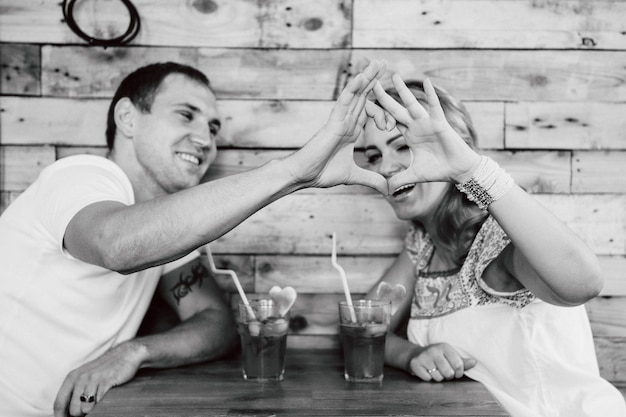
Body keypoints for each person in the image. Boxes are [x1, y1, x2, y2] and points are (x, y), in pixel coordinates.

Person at [0, 60, 390, 417]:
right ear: (127, 118)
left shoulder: (161, 221)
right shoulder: (80, 176)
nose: (205, 139)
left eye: (213, 128)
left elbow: (217, 323)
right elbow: (115, 245)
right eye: (186, 115)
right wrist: (292, 172)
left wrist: (134, 352)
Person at [360, 74, 626, 416]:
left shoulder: (498, 238)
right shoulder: (422, 244)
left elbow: (584, 284)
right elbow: (363, 326)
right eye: (373, 155)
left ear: (453, 145)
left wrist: (472, 170)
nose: (385, 167)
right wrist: (411, 356)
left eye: (402, 146)